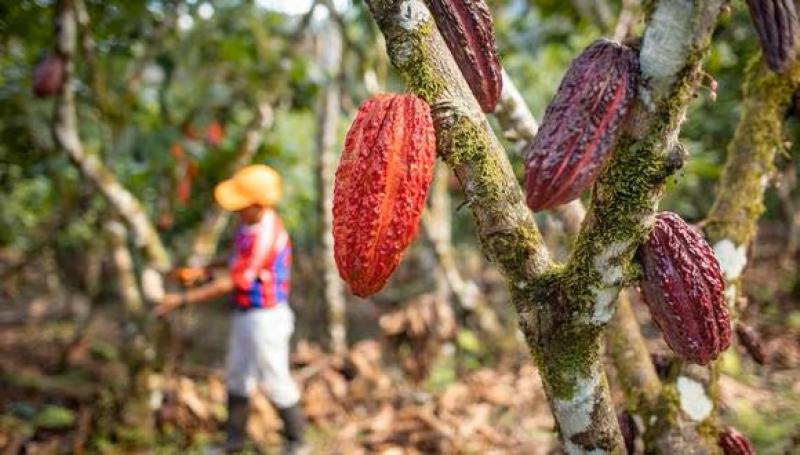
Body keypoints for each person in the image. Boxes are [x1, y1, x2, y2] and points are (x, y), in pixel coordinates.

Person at [155, 164, 306, 454]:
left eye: (242, 205)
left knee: (274, 378)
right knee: (238, 376)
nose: (237, 211)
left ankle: (297, 441)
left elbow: (235, 280)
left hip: (266, 318)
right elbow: (235, 258)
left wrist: (182, 300)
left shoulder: (267, 234)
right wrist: (202, 270)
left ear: (258, 205)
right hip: (245, 314)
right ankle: (233, 442)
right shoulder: (249, 226)